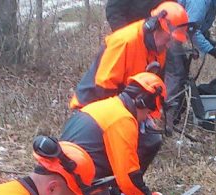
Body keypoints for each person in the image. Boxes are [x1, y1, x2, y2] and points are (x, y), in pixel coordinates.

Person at [72, 1, 188, 173]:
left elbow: (152, 87)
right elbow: (104, 89)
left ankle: (127, 187)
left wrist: (150, 118)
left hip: (123, 107)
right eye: (169, 38)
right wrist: (123, 124)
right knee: (104, 158)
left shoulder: (159, 49)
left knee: (151, 140)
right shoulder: (124, 41)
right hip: (92, 109)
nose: (170, 44)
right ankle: (112, 186)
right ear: (157, 26)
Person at [61, 73, 168, 195]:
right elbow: (129, 180)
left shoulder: (101, 107)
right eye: (148, 114)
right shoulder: (123, 120)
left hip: (72, 183)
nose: (146, 119)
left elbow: (109, 176)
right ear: (142, 102)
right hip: (74, 193)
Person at [164, 0, 216, 128]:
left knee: (180, 73)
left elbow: (199, 27)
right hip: (166, 38)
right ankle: (168, 122)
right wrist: (211, 50)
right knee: (176, 75)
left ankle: (174, 115)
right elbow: (191, 29)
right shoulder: (199, 2)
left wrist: (211, 44)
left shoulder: (212, 2)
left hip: (174, 37)